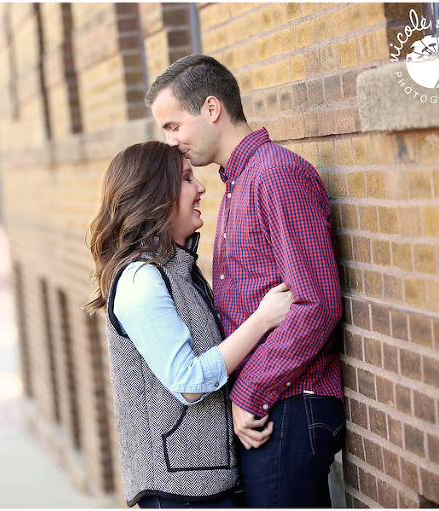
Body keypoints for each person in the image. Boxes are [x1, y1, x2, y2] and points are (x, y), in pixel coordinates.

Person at [145, 53, 346, 507]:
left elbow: (318, 304)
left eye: (174, 126)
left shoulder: (277, 176)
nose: (171, 142)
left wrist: (250, 392)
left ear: (211, 109)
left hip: (292, 402)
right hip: (269, 405)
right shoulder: (239, 183)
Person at [84, 141, 294, 508]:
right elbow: (190, 381)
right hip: (178, 495)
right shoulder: (140, 280)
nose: (200, 188)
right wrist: (263, 319)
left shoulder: (179, 271)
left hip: (207, 484)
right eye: (185, 179)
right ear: (156, 195)